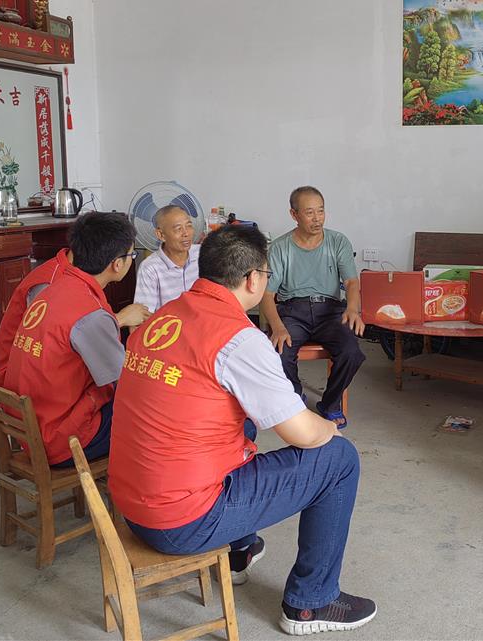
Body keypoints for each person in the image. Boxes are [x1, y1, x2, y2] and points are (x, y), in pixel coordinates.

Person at [109, 225, 376, 635]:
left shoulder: (165, 316)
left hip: (133, 503)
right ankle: (311, 603)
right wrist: (328, 426)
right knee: (338, 459)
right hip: (181, 521)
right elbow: (302, 433)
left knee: (241, 420)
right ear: (252, 279)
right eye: (266, 274)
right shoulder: (239, 339)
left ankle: (238, 550)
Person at [4, 212, 139, 466]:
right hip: (60, 441)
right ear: (117, 264)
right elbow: (124, 381)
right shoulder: (90, 313)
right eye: (132, 255)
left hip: (30, 427)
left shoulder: (53, 288)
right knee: (146, 409)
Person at [260, 186, 365, 429]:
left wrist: (352, 309)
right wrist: (277, 327)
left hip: (330, 311)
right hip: (293, 312)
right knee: (278, 351)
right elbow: (267, 295)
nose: (317, 218)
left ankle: (330, 404)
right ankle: (295, 395)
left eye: (321, 211)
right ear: (294, 214)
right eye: (309, 212)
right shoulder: (280, 247)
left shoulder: (337, 241)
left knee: (351, 351)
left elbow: (351, 282)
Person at [0, 248, 150, 389]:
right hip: (19, 383)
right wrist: (119, 319)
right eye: (132, 255)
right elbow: (66, 330)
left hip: (34, 375)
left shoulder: (72, 275)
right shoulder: (52, 282)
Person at [133, 204, 202, 313]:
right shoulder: (150, 268)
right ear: (161, 235)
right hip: (170, 323)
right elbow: (143, 315)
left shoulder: (202, 254)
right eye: (178, 229)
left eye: (189, 226)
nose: (186, 233)